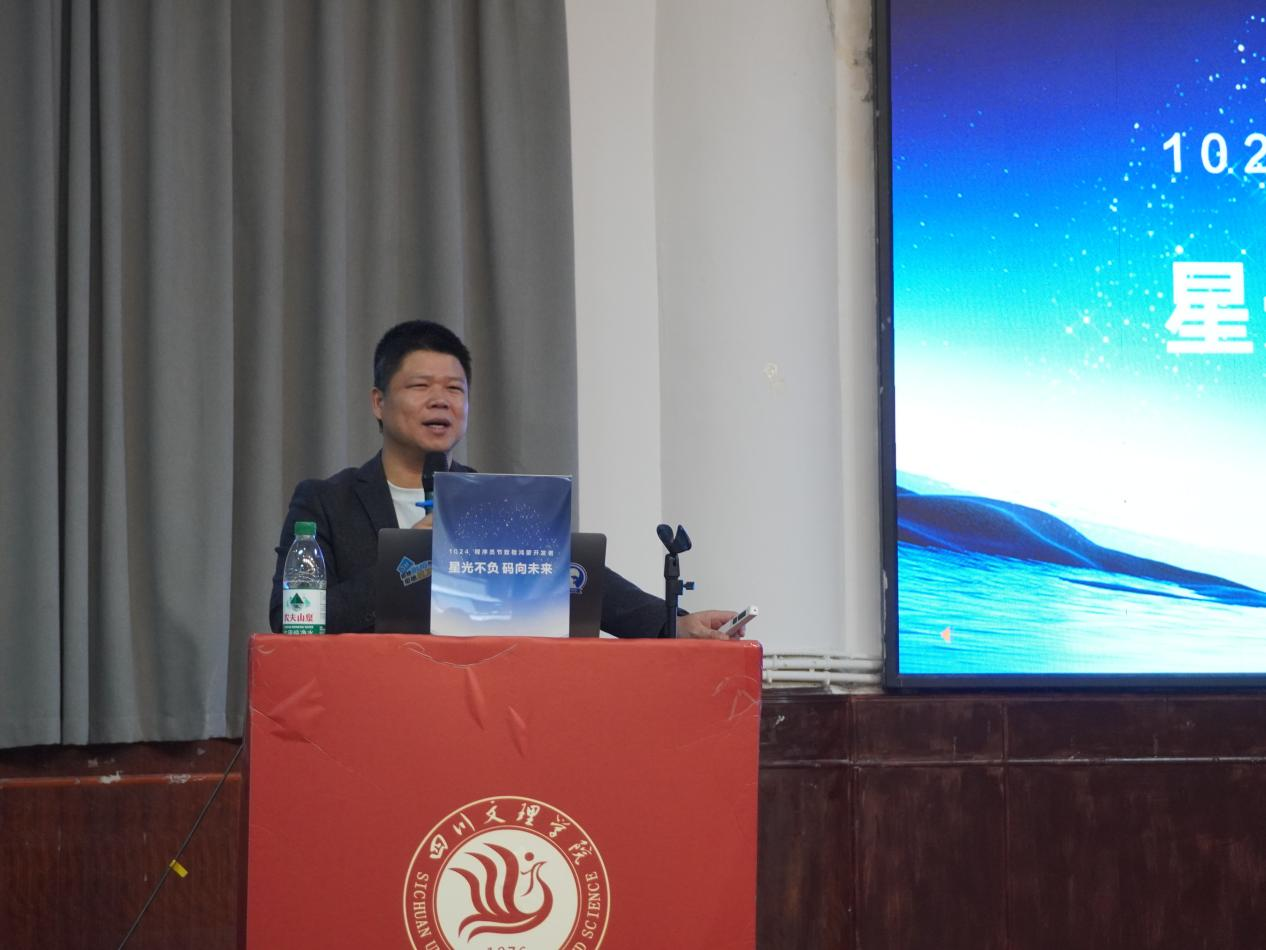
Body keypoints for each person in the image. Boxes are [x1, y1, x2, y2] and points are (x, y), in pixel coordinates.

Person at [269, 320, 741, 639]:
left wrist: (675, 624)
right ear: (379, 402)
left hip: (482, 709)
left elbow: (575, 578)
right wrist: (410, 559)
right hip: (370, 709)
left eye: (454, 389)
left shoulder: (494, 501)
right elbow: (291, 620)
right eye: (420, 386)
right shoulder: (325, 502)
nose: (441, 400)